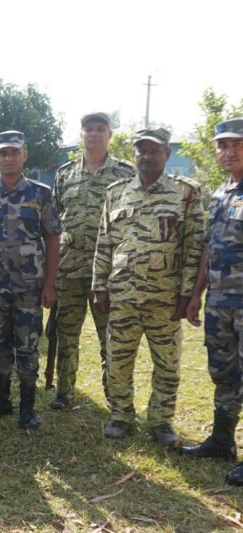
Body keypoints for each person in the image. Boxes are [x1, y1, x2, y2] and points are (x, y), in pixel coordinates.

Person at [93, 128, 204, 447]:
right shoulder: (116, 192)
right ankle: (121, 416)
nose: (147, 155)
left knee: (168, 365)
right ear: (134, 154)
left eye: (154, 150)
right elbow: (105, 243)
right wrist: (99, 286)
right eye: (141, 150)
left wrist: (187, 294)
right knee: (118, 361)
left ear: (167, 155)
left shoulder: (186, 193)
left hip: (165, 299)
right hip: (123, 295)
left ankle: (161, 420)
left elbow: (194, 246)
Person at [0, 130, 61, 429]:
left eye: (14, 152)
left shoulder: (41, 194)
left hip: (29, 286)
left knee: (28, 346)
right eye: (3, 153)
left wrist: (49, 284)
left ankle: (27, 408)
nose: (9, 158)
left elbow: (52, 239)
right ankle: (1, 401)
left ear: (25, 155)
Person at [50, 113, 135, 410]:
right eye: (88, 129)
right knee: (66, 335)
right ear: (81, 134)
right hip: (69, 270)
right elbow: (54, 220)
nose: (94, 134)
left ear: (109, 134)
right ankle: (64, 394)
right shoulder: (65, 174)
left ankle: (115, 399)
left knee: (110, 338)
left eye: (100, 129)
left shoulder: (125, 173)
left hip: (108, 275)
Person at [181, 117, 243, 484]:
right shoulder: (221, 195)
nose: (228, 151)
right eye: (222, 145)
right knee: (223, 373)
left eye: (236, 144)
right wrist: (196, 294)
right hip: (221, 302)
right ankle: (222, 441)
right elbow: (209, 247)